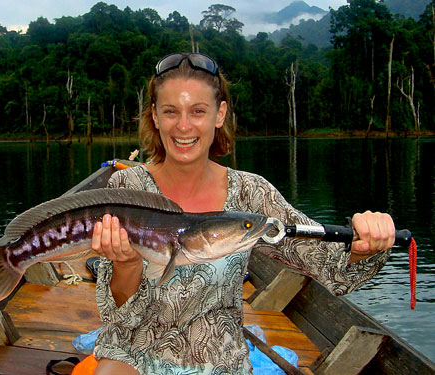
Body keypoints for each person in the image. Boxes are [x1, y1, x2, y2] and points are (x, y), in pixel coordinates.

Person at [89, 52, 395, 375]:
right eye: (170, 111)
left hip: (219, 360)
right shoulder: (127, 188)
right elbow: (118, 312)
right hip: (135, 352)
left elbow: (327, 261)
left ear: (219, 114)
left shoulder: (252, 194)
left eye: (197, 111)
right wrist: (127, 263)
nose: (183, 126)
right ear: (154, 115)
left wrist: (367, 242)